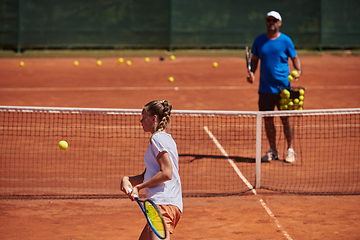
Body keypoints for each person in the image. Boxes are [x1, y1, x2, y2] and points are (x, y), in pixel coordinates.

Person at [120, 100, 183, 240]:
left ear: (154, 118)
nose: (141, 121)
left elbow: (166, 172)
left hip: (162, 204)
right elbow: (148, 175)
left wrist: (139, 188)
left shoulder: (156, 139)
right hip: (167, 204)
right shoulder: (166, 139)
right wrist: (127, 180)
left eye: (144, 117)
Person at [247, 11, 302, 163]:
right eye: (268, 20)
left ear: (279, 22)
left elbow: (295, 58)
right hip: (265, 89)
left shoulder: (286, 41)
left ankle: (290, 149)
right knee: (268, 120)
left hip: (284, 89)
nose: (271, 22)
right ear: (266, 22)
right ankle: (273, 150)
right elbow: (255, 60)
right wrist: (252, 73)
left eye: (274, 20)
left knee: (286, 119)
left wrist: (299, 70)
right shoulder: (259, 41)